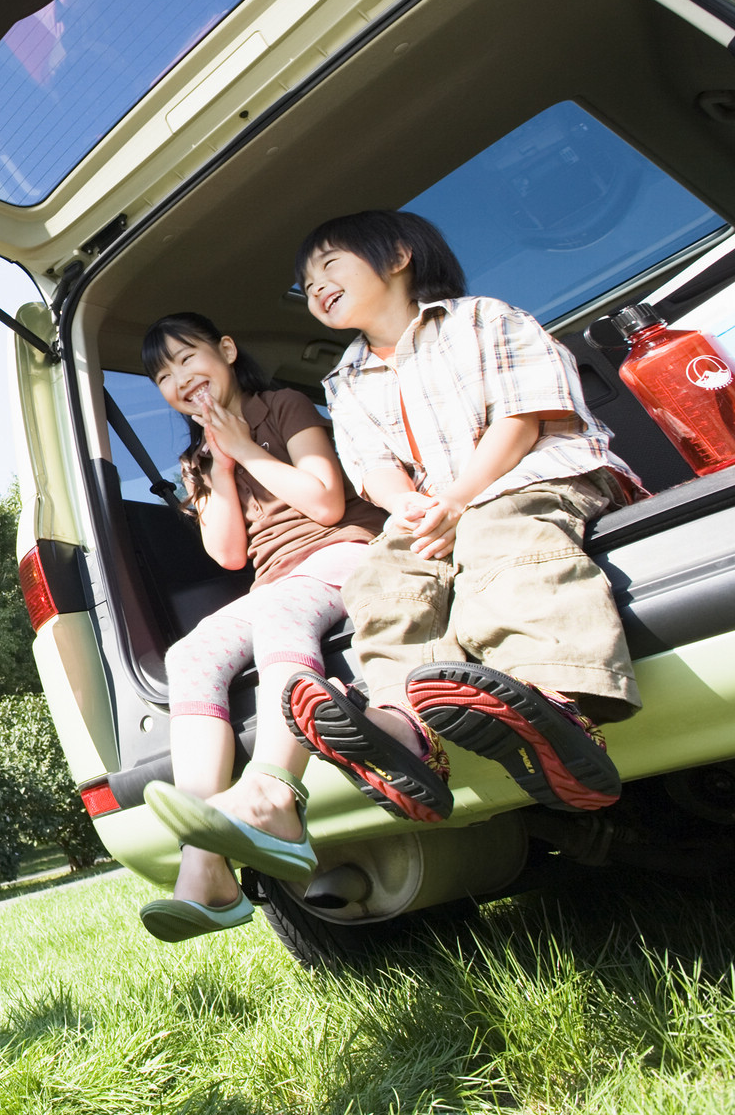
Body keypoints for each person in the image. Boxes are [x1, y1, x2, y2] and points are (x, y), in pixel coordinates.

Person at [289, 209, 639, 818]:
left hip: (536, 475)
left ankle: (555, 700)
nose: (316, 287)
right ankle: (402, 730)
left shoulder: (481, 318)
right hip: (441, 509)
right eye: (307, 284)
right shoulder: (343, 379)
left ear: (397, 257)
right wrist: (408, 506)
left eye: (329, 266)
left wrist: (460, 496)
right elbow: (371, 467)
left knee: (500, 530)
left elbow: (523, 418)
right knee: (383, 574)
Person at [135, 314, 407, 942]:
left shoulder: (281, 404)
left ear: (227, 350)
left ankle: (278, 798)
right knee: (190, 657)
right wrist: (221, 468)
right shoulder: (195, 462)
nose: (179, 378)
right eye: (163, 374)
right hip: (275, 579)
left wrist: (249, 448)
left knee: (283, 613)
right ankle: (206, 869)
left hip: (344, 549)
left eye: (187, 358)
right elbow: (230, 555)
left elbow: (325, 502)